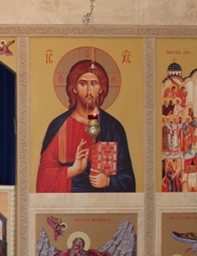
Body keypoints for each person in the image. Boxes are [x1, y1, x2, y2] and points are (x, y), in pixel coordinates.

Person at [37, 59, 135, 192]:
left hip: (103, 202)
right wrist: (73, 170)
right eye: (83, 84)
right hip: (68, 200)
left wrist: (108, 181)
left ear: (101, 88)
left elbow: (128, 179)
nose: (89, 90)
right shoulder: (60, 125)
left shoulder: (113, 127)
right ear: (74, 88)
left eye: (94, 84)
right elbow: (44, 176)